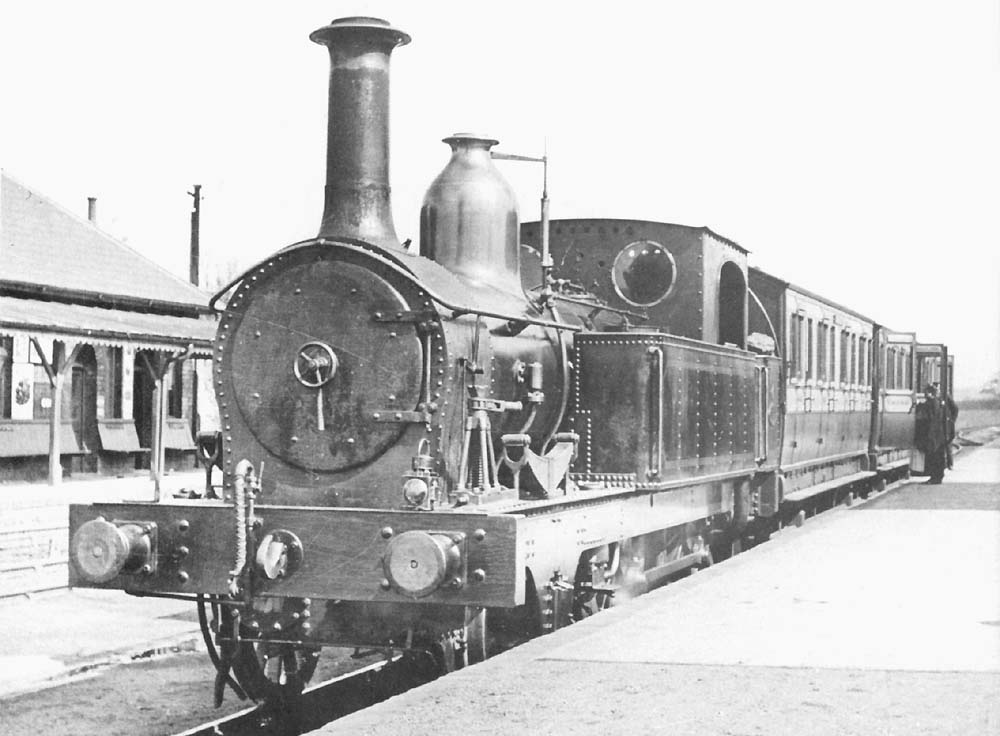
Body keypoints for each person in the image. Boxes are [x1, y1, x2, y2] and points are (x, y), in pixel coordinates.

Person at [915, 384, 948, 484]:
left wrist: (918, 405)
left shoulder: (932, 403)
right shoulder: (937, 402)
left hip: (933, 435)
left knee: (934, 456)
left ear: (930, 393)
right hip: (938, 434)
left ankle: (935, 478)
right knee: (938, 456)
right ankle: (937, 477)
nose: (925, 395)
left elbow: (926, 415)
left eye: (926, 393)